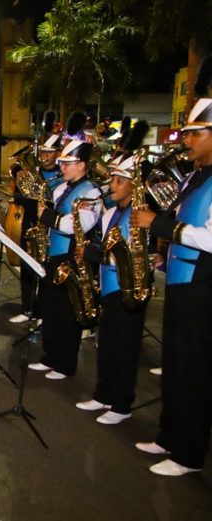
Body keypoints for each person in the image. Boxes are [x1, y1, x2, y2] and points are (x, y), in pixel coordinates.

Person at [130, 94, 212, 476]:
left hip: (202, 287)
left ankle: (188, 454)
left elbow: (209, 237)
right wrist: (164, 254)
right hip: (181, 278)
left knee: (194, 369)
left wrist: (158, 225)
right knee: (175, 363)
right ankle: (168, 435)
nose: (186, 140)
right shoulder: (197, 175)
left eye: (196, 133)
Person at [74, 154, 146, 425]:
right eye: (112, 179)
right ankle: (103, 394)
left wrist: (91, 254)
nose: (112, 185)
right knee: (106, 346)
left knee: (124, 349)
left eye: (119, 181)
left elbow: (123, 255)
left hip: (127, 289)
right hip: (109, 287)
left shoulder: (137, 214)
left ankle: (121, 404)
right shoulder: (112, 212)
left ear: (133, 185)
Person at [28, 139, 102, 379]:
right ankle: (50, 356)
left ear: (81, 164)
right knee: (50, 306)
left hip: (72, 256)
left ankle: (65, 363)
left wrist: (51, 219)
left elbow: (80, 224)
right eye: (62, 163)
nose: (62, 167)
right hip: (54, 253)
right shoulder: (60, 188)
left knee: (67, 311)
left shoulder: (92, 192)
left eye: (68, 163)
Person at [9, 129, 64, 324]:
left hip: (50, 227)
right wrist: (19, 190)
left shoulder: (62, 176)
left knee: (45, 270)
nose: (45, 156)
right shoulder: (31, 173)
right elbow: (18, 199)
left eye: (50, 152)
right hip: (30, 223)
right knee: (27, 266)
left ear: (58, 153)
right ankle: (27, 309)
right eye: (43, 152)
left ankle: (41, 312)